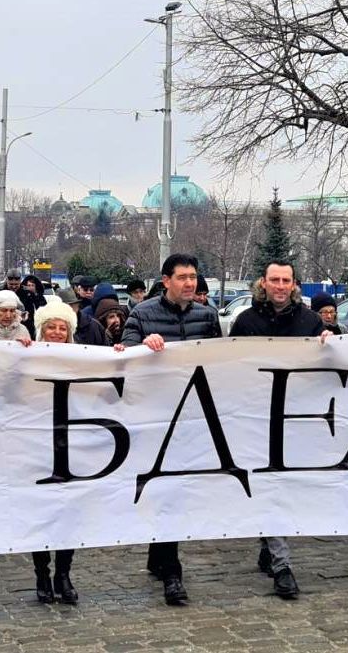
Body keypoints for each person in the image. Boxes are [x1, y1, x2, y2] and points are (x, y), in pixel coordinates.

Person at [121, 253, 221, 606]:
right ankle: (172, 571)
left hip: (192, 416)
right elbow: (122, 354)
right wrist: (142, 347)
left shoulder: (207, 316)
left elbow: (218, 360)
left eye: (193, 277)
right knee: (164, 489)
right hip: (156, 417)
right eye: (182, 277)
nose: (189, 283)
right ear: (166, 281)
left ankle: (160, 553)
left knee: (176, 490)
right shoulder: (142, 313)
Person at [230, 261, 326, 601]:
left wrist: (329, 343)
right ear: (264, 283)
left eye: (286, 280)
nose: (281, 286)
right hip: (257, 418)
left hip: (298, 419)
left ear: (294, 284)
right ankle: (282, 566)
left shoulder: (310, 321)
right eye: (275, 280)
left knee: (287, 488)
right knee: (270, 487)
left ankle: (268, 543)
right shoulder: (245, 321)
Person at [15, 295, 84, 604]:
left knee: (69, 511)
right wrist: (17, 356)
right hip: (36, 444)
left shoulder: (82, 357)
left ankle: (63, 574)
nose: (57, 332)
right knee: (40, 511)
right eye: (51, 327)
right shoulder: (27, 355)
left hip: (71, 445)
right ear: (41, 329)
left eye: (62, 327)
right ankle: (42, 573)